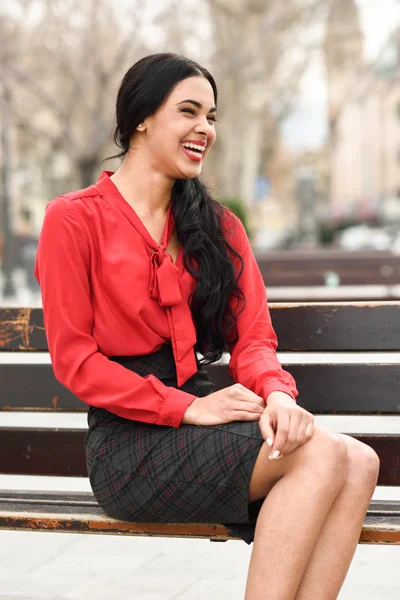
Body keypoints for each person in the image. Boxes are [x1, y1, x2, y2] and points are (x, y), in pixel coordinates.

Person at [34, 53, 379, 600]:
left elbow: (255, 338)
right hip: (129, 445)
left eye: (212, 117)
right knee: (324, 454)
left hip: (201, 430)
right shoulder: (75, 219)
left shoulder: (217, 226)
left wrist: (277, 396)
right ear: (141, 118)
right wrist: (187, 406)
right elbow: (76, 362)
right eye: (189, 111)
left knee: (361, 460)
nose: (205, 129)